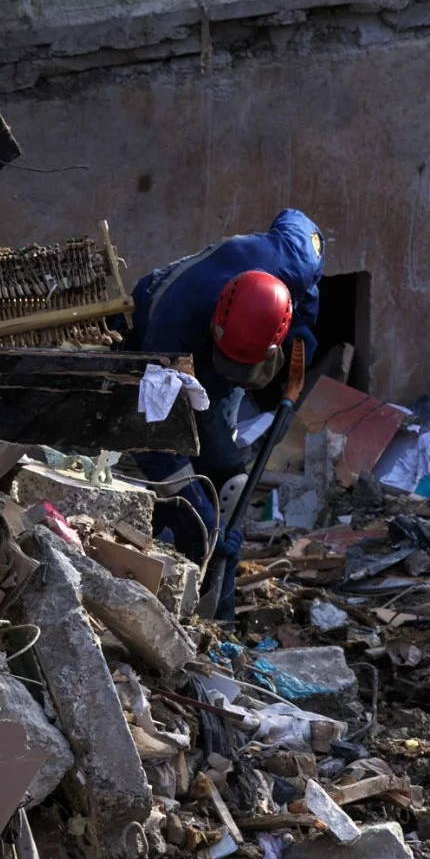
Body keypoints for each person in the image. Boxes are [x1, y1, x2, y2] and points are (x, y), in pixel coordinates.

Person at [121, 208, 326, 617]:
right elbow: (154, 441)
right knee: (186, 501)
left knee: (230, 485)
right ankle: (173, 586)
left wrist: (302, 327)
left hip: (232, 356)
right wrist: (192, 503)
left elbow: (296, 219)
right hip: (170, 358)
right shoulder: (170, 330)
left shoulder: (295, 256)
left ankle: (220, 604)